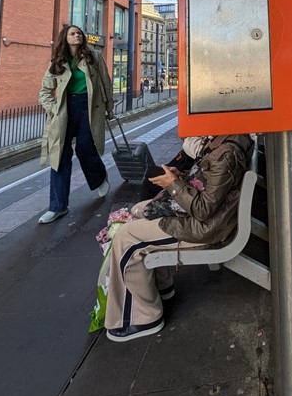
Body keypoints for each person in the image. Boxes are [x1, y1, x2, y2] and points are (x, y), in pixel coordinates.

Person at [104, 133, 253, 342]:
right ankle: (162, 286)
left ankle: (144, 316)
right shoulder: (227, 142)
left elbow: (203, 209)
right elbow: (207, 188)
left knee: (125, 237)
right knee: (139, 209)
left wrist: (173, 183)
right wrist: (179, 177)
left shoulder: (225, 152)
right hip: (208, 221)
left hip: (203, 228)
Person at [38, 24, 114, 224]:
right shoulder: (57, 61)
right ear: (65, 38)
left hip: (89, 107)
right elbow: (44, 92)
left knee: (85, 148)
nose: (77, 35)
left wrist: (110, 107)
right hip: (65, 109)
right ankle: (58, 207)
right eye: (73, 33)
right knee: (59, 156)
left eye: (79, 33)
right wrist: (54, 109)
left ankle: (99, 177)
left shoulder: (94, 56)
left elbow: (105, 82)